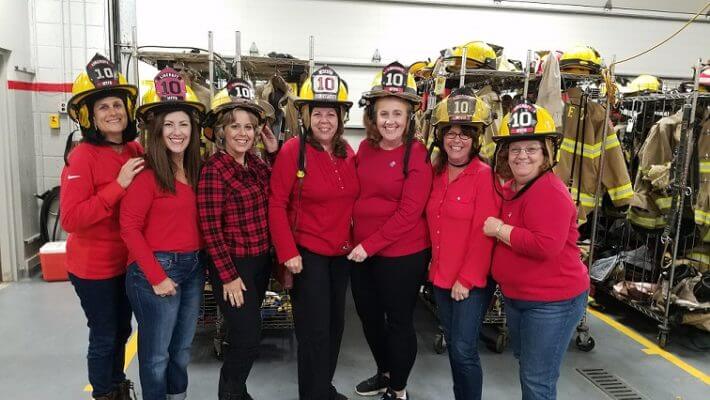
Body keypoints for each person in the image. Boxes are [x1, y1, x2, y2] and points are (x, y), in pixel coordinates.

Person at [483, 103, 590, 400]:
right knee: (529, 369)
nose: (522, 156)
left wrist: (499, 229)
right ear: (505, 154)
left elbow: (546, 245)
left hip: (552, 302)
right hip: (521, 298)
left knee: (537, 379)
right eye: (515, 149)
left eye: (532, 149)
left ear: (546, 153)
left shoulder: (549, 192)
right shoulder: (514, 188)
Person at [269, 66, 359, 400]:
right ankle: (312, 393)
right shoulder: (293, 150)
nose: (324, 120)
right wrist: (287, 252)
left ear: (341, 117)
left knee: (335, 329)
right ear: (306, 115)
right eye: (317, 112)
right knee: (313, 332)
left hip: (341, 257)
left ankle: (324, 387)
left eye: (331, 113)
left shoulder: (347, 152)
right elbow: (276, 204)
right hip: (308, 257)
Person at [119, 68, 206, 400]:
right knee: (156, 357)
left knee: (182, 350)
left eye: (183, 124)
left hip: (192, 268)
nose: (177, 131)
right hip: (155, 270)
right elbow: (129, 227)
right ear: (156, 129)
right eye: (168, 124)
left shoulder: (195, 168)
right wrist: (156, 277)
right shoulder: (147, 173)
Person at [60, 53, 143, 400]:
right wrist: (118, 186)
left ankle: (116, 384)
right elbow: (71, 219)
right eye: (104, 107)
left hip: (126, 263)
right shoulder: (82, 156)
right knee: (105, 333)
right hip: (93, 268)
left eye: (117, 104)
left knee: (123, 330)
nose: (113, 112)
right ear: (89, 117)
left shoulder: (134, 148)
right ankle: (105, 394)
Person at [348, 62, 432, 400]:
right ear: (373, 115)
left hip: (402, 254)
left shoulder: (417, 153)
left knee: (398, 322)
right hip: (361, 253)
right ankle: (384, 373)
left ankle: (398, 390)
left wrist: (369, 246)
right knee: (369, 319)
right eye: (384, 113)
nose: (391, 121)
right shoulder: (365, 150)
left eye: (398, 113)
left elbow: (409, 212)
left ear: (409, 116)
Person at [198, 78, 278, 400]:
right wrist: (229, 276)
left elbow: (278, 193)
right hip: (233, 268)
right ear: (221, 131)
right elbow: (210, 229)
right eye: (235, 127)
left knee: (245, 334)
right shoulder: (214, 170)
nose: (243, 133)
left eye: (249, 126)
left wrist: (273, 153)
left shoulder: (257, 165)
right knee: (247, 337)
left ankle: (238, 393)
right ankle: (230, 394)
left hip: (259, 263)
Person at [425, 94, 499, 400]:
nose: (457, 140)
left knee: (464, 350)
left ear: (476, 139)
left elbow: (485, 234)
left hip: (469, 282)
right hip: (441, 277)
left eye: (465, 133)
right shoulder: (437, 173)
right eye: (451, 133)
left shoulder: (484, 176)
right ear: (441, 136)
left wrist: (466, 280)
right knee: (456, 347)